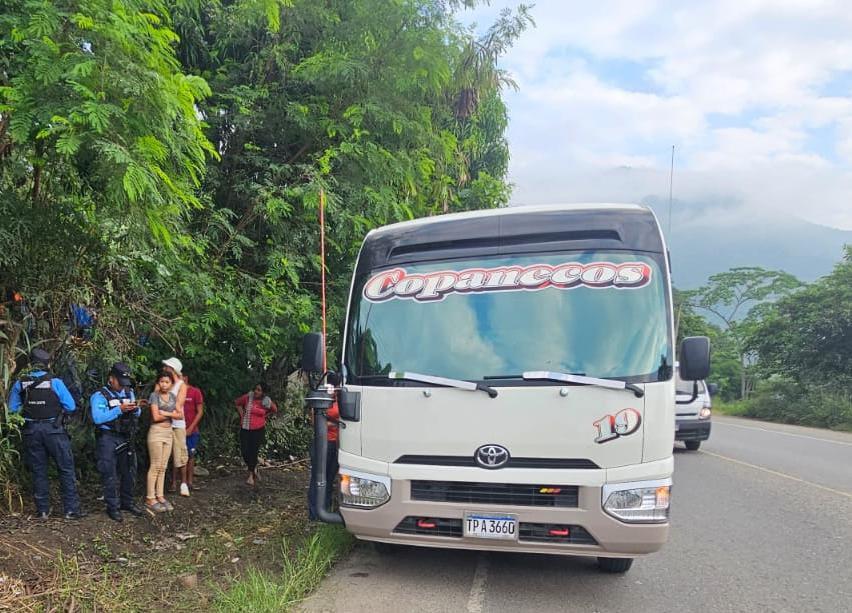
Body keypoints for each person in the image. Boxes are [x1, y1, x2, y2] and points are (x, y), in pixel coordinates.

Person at [7, 348, 85, 520]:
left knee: (38, 471)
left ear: (30, 364)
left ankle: (42, 510)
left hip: (31, 431)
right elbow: (71, 406)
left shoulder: (21, 383)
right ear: (47, 364)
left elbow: (12, 410)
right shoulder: (55, 382)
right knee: (65, 469)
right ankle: (71, 510)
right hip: (54, 430)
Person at [90, 362, 145, 522]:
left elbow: (138, 412)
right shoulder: (100, 396)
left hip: (126, 436)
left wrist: (135, 409)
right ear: (111, 379)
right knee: (110, 473)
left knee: (129, 471)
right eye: (120, 383)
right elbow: (98, 418)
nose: (122, 387)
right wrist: (119, 410)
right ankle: (112, 507)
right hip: (108, 438)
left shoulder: (129, 392)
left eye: (125, 384)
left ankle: (127, 503)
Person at [146, 371, 181, 514]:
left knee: (163, 466)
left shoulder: (173, 396)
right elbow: (155, 416)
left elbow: (180, 414)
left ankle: (160, 495)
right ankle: (150, 497)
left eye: (167, 382)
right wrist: (171, 415)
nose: (164, 384)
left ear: (171, 384)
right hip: (156, 432)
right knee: (155, 465)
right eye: (162, 382)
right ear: (158, 383)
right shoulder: (154, 396)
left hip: (168, 433)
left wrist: (165, 413)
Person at [308, 374, 340, 520]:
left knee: (330, 476)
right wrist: (337, 424)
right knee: (318, 477)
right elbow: (316, 422)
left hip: (337, 443)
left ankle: (325, 509)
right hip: (322, 442)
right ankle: (314, 512)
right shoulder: (321, 399)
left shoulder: (341, 400)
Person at [234, 383, 277, 485]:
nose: (256, 392)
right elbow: (237, 403)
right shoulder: (248, 397)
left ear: (263, 392)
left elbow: (274, 409)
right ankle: (253, 468)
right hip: (245, 427)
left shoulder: (266, 401)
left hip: (258, 429)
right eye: (256, 389)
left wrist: (265, 416)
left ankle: (250, 475)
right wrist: (242, 415)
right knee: (244, 451)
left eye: (259, 390)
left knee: (253, 452)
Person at [161, 357, 190, 497]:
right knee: (165, 455)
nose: (163, 369)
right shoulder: (163, 382)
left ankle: (183, 483)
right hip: (164, 422)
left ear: (172, 369)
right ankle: (170, 483)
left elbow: (178, 406)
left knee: (180, 454)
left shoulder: (180, 385)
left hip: (177, 424)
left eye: (166, 367)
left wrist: (164, 408)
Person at [177, 374, 204, 491]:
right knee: (180, 456)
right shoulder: (174, 392)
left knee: (191, 455)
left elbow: (200, 412)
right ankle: (181, 482)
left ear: (186, 378)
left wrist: (191, 428)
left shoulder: (195, 392)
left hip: (192, 430)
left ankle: (190, 482)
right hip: (178, 429)